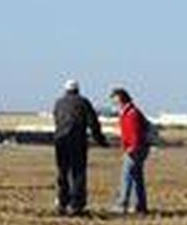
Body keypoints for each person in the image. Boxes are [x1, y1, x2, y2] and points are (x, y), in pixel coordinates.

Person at [52, 80, 106, 216]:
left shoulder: (59, 103)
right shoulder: (83, 102)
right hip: (77, 142)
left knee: (62, 172)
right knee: (78, 173)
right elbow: (93, 122)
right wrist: (100, 140)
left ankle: (62, 202)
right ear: (78, 90)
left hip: (61, 141)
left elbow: (56, 119)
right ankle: (76, 205)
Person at [110, 88, 152, 215]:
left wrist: (131, 148)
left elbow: (135, 134)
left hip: (135, 149)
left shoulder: (131, 113)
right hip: (137, 148)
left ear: (122, 100)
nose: (115, 105)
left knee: (127, 177)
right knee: (136, 177)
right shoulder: (128, 112)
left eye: (116, 102)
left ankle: (122, 204)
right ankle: (140, 206)